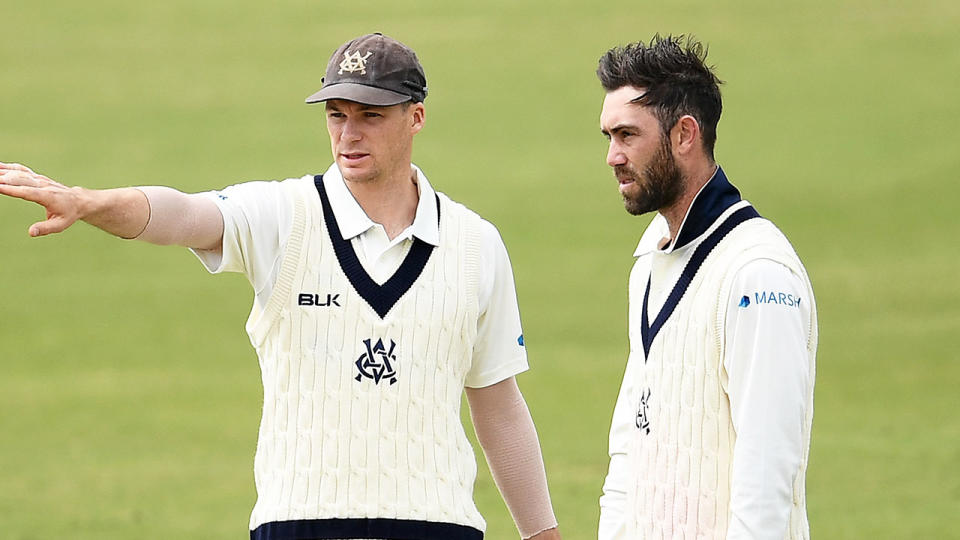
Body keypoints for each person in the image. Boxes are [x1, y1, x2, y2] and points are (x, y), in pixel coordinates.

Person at [0, 33, 561, 540]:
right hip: (299, 523)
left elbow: (497, 403)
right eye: (337, 114)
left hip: (438, 526)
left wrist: (541, 535)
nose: (349, 133)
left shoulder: (474, 243)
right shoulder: (283, 215)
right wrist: (90, 202)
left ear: (415, 118)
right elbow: (182, 215)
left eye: (371, 115)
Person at [595, 35, 818, 539]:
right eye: (608, 136)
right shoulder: (650, 261)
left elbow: (768, 470)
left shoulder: (756, 272)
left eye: (628, 135)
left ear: (684, 134)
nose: (612, 156)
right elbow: (631, 439)